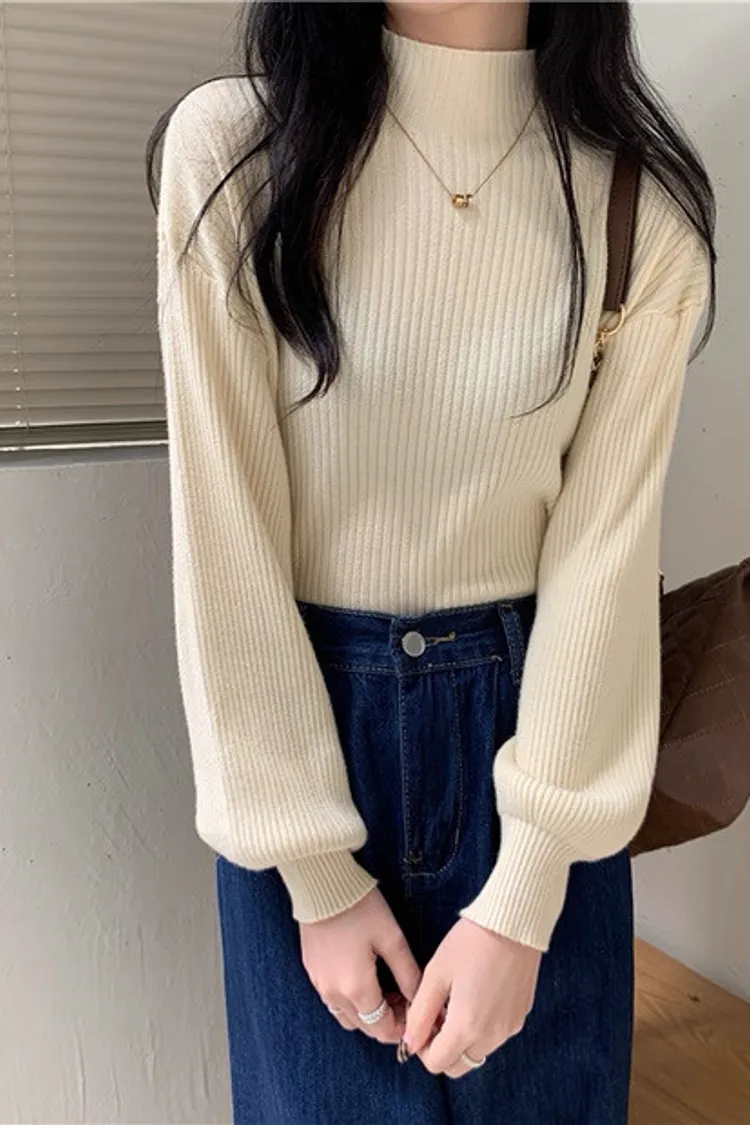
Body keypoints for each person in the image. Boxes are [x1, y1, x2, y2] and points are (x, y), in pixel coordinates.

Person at [149, 2, 717, 1122]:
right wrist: (316, 871)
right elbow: (225, 536)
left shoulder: (636, 211)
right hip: (306, 735)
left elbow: (603, 564)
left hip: (543, 735)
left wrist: (530, 886)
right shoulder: (239, 155)